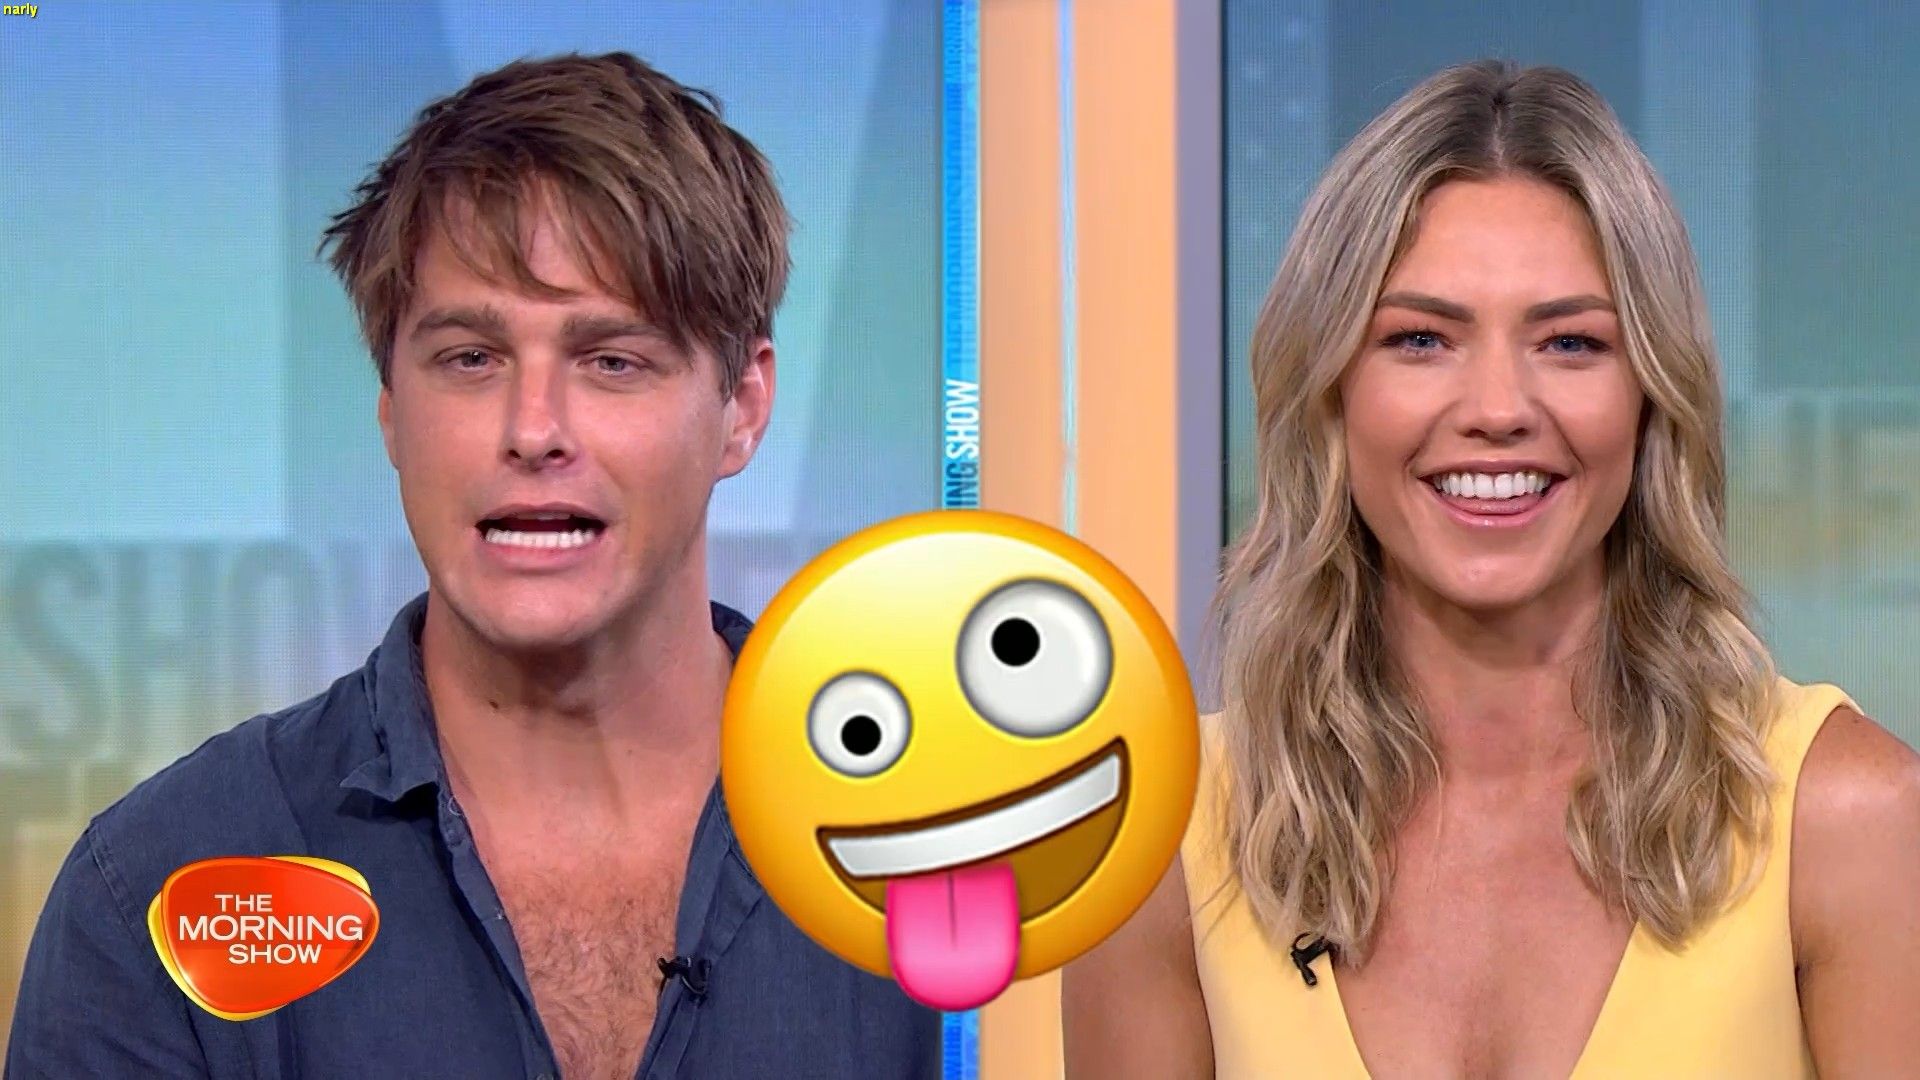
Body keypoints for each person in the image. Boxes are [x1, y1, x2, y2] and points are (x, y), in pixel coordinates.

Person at [7, 52, 942, 1080]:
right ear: (391, 411)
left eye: (612, 360)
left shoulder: (942, 834)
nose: (532, 430)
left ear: (743, 407)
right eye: (470, 359)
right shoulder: (158, 888)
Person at [1063, 60, 1920, 1078]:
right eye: (1421, 339)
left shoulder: (1848, 819)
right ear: (1328, 391)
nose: (1500, 408)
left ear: (1652, 397)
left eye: (1571, 343)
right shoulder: (1159, 838)